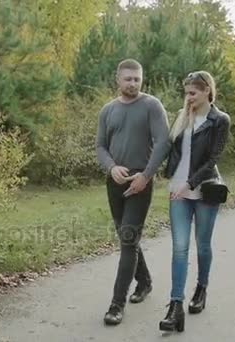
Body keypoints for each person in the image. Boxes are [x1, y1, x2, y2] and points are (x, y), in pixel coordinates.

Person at [95, 59, 171, 325]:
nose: (133, 83)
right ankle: (145, 281)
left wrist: (146, 176)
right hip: (114, 184)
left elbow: (163, 141)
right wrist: (111, 167)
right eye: (128, 79)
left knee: (128, 240)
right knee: (129, 239)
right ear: (118, 79)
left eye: (137, 79)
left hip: (140, 183)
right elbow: (100, 147)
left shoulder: (151, 105)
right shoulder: (108, 110)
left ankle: (116, 304)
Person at [159, 71, 231, 332]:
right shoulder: (182, 116)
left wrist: (190, 184)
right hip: (177, 191)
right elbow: (169, 150)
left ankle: (201, 288)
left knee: (202, 245)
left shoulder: (220, 120)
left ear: (207, 91)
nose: (188, 97)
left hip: (204, 191)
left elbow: (213, 159)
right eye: (186, 92)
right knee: (179, 248)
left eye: (193, 93)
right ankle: (175, 306)